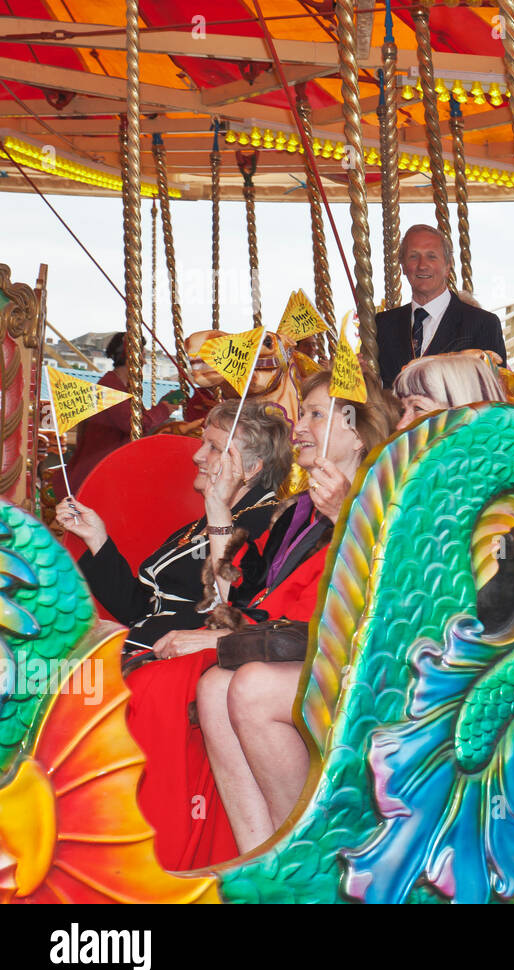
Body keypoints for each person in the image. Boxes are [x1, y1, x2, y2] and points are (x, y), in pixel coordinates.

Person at [194, 368, 399, 854]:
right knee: (213, 686)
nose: (299, 427)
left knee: (252, 687)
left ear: (356, 431)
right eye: (301, 413)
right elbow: (234, 603)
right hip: (306, 654)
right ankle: (259, 858)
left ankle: (310, 856)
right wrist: (219, 509)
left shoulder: (394, 497)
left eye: (315, 415)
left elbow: (391, 602)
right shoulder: (295, 511)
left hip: (385, 664)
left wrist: (347, 517)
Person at [56, 399, 291, 651]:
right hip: (142, 644)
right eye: (203, 443)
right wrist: (97, 539)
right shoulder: (198, 525)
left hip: (178, 656)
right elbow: (139, 608)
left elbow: (239, 608)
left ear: (251, 468)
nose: (197, 455)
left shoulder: (268, 524)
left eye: (214, 447)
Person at [375, 224, 506, 389]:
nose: (422, 265)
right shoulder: (383, 324)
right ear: (402, 266)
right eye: (413, 256)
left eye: (432, 256)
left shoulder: (483, 324)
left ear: (448, 265)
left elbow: (494, 393)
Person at [54, 332, 181, 496]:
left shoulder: (123, 388)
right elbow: (134, 425)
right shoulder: (110, 387)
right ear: (131, 357)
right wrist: (163, 409)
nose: (143, 362)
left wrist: (163, 405)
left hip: (112, 463)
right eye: (141, 356)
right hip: (98, 468)